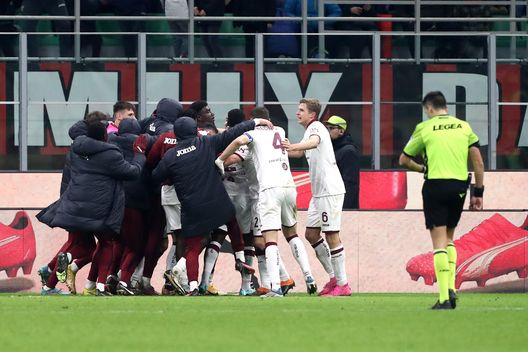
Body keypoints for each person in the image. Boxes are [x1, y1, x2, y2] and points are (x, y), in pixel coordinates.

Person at [151, 115, 272, 295]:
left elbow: (156, 175)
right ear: (195, 131)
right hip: (216, 200)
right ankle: (240, 259)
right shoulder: (206, 143)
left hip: (191, 207)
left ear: (176, 134)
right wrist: (256, 121)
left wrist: (173, 174)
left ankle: (192, 287)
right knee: (232, 222)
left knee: (192, 247)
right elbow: (233, 133)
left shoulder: (171, 156)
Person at [38, 118, 147, 295]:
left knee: (78, 246)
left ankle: (48, 286)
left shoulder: (76, 149)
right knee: (107, 243)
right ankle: (100, 287)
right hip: (98, 207)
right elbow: (132, 172)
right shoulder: (110, 154)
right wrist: (139, 154)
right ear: (105, 136)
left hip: (75, 204)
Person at [217, 106, 316, 297]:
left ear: (254, 122)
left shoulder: (253, 135)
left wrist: (220, 160)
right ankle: (308, 276)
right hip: (289, 187)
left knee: (266, 241)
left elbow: (238, 140)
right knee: (291, 234)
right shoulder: (280, 131)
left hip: (267, 191)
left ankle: (275, 286)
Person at [399, 91, 484, 310]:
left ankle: (444, 298)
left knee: (438, 243)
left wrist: (422, 169)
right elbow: (478, 162)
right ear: (445, 106)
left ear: (429, 108)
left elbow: (404, 159)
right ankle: (452, 288)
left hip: (435, 185)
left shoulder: (425, 128)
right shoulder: (463, 126)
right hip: (459, 186)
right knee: (449, 238)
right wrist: (478, 192)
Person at [282, 98, 352, 297]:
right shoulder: (310, 130)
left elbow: (313, 143)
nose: (298, 113)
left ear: (312, 115)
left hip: (330, 190)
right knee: (311, 234)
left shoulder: (317, 128)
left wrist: (293, 145)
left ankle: (343, 284)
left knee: (332, 235)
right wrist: (284, 149)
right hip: (319, 193)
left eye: (301, 110)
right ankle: (333, 277)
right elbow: (300, 152)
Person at [324, 115, 360, 209]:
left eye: (331, 128)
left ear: (341, 131)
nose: (328, 131)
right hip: (331, 201)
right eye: (326, 128)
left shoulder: (349, 151)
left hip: (342, 206)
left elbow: (350, 183)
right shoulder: (332, 148)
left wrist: (344, 208)